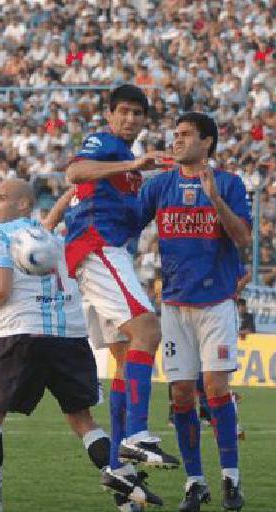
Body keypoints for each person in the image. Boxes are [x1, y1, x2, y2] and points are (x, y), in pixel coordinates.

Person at [0, 179, 158, 512]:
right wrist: (70, 196)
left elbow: (1, 288)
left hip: (23, 334)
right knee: (82, 419)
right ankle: (127, 493)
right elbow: (49, 223)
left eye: (2, 198)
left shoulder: (1, 234)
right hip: (71, 337)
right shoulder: (59, 237)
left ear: (24, 204)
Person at [131, 112, 250, 512]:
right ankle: (195, 481)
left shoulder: (230, 184)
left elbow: (243, 237)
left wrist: (214, 198)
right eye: (175, 134)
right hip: (174, 305)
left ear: (208, 142)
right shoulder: (161, 186)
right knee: (181, 393)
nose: (176, 140)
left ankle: (231, 479)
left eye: (185, 135)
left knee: (215, 388)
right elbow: (129, 222)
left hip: (215, 303)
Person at [63, 84, 179, 485]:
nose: (130, 119)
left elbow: (129, 218)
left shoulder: (129, 167)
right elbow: (74, 171)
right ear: (111, 114)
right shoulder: (105, 143)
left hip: (99, 252)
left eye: (137, 114)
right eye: (124, 112)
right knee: (148, 329)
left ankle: (117, 466)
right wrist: (133, 165)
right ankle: (136, 434)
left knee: (125, 357)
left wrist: (156, 186)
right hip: (98, 249)